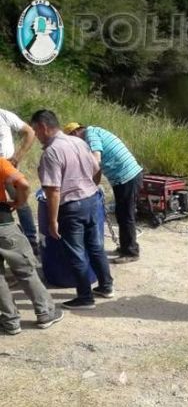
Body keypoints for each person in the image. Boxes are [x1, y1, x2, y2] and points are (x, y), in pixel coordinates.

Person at [31, 110, 114, 310]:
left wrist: (52, 221)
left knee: (76, 252)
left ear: (43, 127)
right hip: (92, 200)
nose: (36, 136)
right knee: (95, 247)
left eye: (35, 131)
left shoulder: (51, 152)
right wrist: (91, 187)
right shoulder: (78, 142)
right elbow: (96, 168)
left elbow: (53, 191)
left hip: (71, 208)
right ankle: (106, 286)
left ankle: (85, 297)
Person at [0, 157, 64, 335]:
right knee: (25, 269)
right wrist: (20, 202)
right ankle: (45, 312)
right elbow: (24, 184)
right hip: (3, 226)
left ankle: (10, 321)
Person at [64, 123, 143, 264]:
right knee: (121, 214)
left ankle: (131, 252)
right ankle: (126, 247)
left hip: (128, 177)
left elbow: (96, 160)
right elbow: (97, 167)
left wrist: (84, 182)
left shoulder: (90, 135)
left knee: (126, 215)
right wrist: (93, 184)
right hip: (124, 178)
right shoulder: (93, 135)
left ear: (75, 134)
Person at [0, 107, 39, 252]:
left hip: (7, 166)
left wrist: (18, 156)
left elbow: (30, 132)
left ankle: (31, 241)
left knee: (22, 204)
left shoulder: (3, 115)